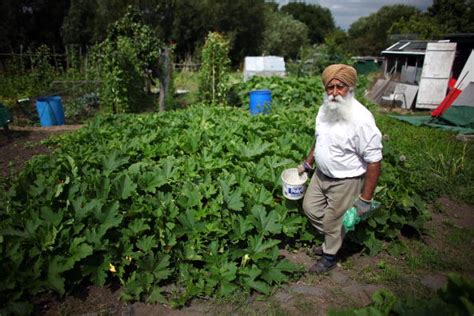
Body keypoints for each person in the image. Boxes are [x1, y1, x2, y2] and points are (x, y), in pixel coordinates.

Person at [297, 64, 383, 274]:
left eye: (340, 87)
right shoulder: (325, 109)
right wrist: (308, 163)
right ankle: (334, 238)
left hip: (346, 180)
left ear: (350, 88)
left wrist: (365, 200)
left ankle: (329, 256)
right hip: (321, 174)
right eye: (330, 87)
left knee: (333, 220)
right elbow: (319, 138)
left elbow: (374, 161)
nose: (334, 93)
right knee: (310, 208)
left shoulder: (361, 120)